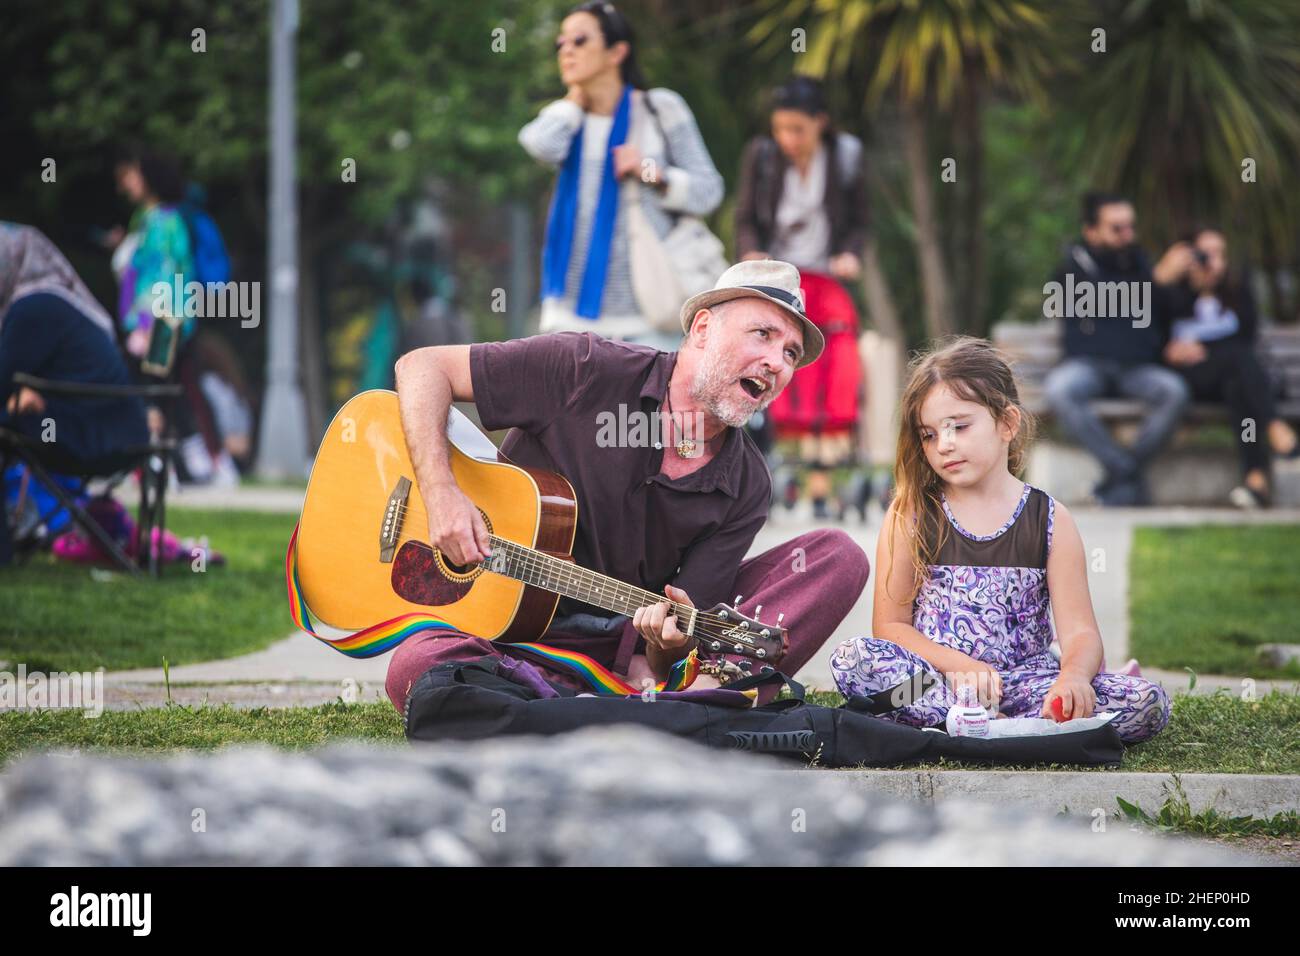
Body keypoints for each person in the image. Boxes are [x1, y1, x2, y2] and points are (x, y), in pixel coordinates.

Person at [384, 260, 871, 711]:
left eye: (790, 352)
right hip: (501, 629)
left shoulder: (747, 484)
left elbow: (666, 644)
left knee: (838, 557)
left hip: (614, 652)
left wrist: (666, 651)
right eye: (762, 334)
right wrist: (441, 493)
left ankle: (637, 703)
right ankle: (665, 711)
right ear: (703, 329)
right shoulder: (584, 368)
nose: (777, 362)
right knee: (418, 666)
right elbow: (422, 367)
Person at [830, 337, 1170, 744]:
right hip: (938, 682)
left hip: (1026, 686)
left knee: (1144, 702)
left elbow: (1079, 632)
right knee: (855, 661)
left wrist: (1074, 679)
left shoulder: (1049, 519)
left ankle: (976, 726)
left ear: (1007, 424)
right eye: (929, 435)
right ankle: (1012, 730)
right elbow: (890, 627)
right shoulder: (913, 514)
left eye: (958, 426)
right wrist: (958, 666)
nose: (944, 445)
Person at [519, 1, 724, 351]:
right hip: (571, 315)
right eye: (561, 43)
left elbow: (709, 191)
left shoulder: (660, 108)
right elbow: (539, 144)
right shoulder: (568, 119)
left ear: (617, 51)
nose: (566, 51)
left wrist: (648, 171)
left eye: (579, 40)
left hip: (648, 311)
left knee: (645, 409)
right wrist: (574, 99)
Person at [735, 76, 866, 517]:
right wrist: (750, 252)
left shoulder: (845, 156)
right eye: (780, 129)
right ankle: (776, 474)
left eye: (797, 130)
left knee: (834, 362)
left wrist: (850, 253)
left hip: (827, 277)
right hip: (781, 279)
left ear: (819, 124)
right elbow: (746, 216)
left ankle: (823, 479)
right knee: (783, 365)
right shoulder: (764, 156)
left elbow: (860, 221)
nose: (787, 139)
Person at [0, 223, 148, 564]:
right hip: (109, 429)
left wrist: (19, 401)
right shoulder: (50, 300)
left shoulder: (35, 306)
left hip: (95, 436)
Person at [1043, 192, 1189, 506]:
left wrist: (1163, 285)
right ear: (1091, 231)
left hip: (1137, 369)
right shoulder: (1071, 269)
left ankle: (1120, 475)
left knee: (1174, 391)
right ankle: (1125, 471)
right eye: (1117, 228)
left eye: (1130, 227)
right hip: (1088, 366)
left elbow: (1171, 313)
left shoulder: (1141, 263)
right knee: (1060, 389)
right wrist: (1155, 282)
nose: (1128, 235)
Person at [1155, 227, 1300, 508]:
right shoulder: (1171, 293)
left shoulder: (1235, 290)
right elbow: (1150, 338)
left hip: (1233, 381)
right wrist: (1172, 351)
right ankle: (1275, 426)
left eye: (1220, 253)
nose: (1212, 260)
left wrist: (1214, 287)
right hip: (1193, 379)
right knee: (1239, 361)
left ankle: (1255, 481)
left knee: (1238, 385)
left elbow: (1248, 336)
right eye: (1205, 253)